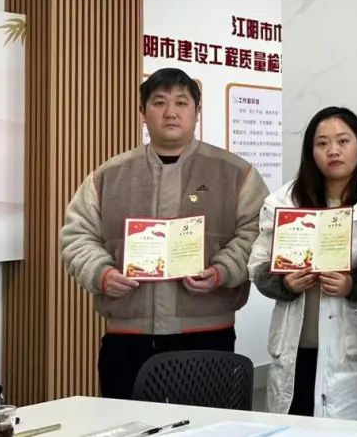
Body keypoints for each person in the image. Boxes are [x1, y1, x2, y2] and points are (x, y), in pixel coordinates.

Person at [60, 68, 269, 399]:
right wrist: (102, 273)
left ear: (197, 112)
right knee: (128, 422)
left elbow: (257, 232)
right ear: (142, 113)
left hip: (207, 335)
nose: (171, 112)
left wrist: (221, 271)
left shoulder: (235, 172)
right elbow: (76, 235)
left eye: (181, 103)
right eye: (159, 103)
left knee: (204, 423)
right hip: (127, 338)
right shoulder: (109, 175)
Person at [248, 107, 357, 421]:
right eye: (322, 143)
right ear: (311, 151)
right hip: (297, 347)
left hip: (356, 349)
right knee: (297, 425)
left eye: (343, 141)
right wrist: (284, 284)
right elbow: (258, 267)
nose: (333, 150)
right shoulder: (284, 201)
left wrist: (353, 284)